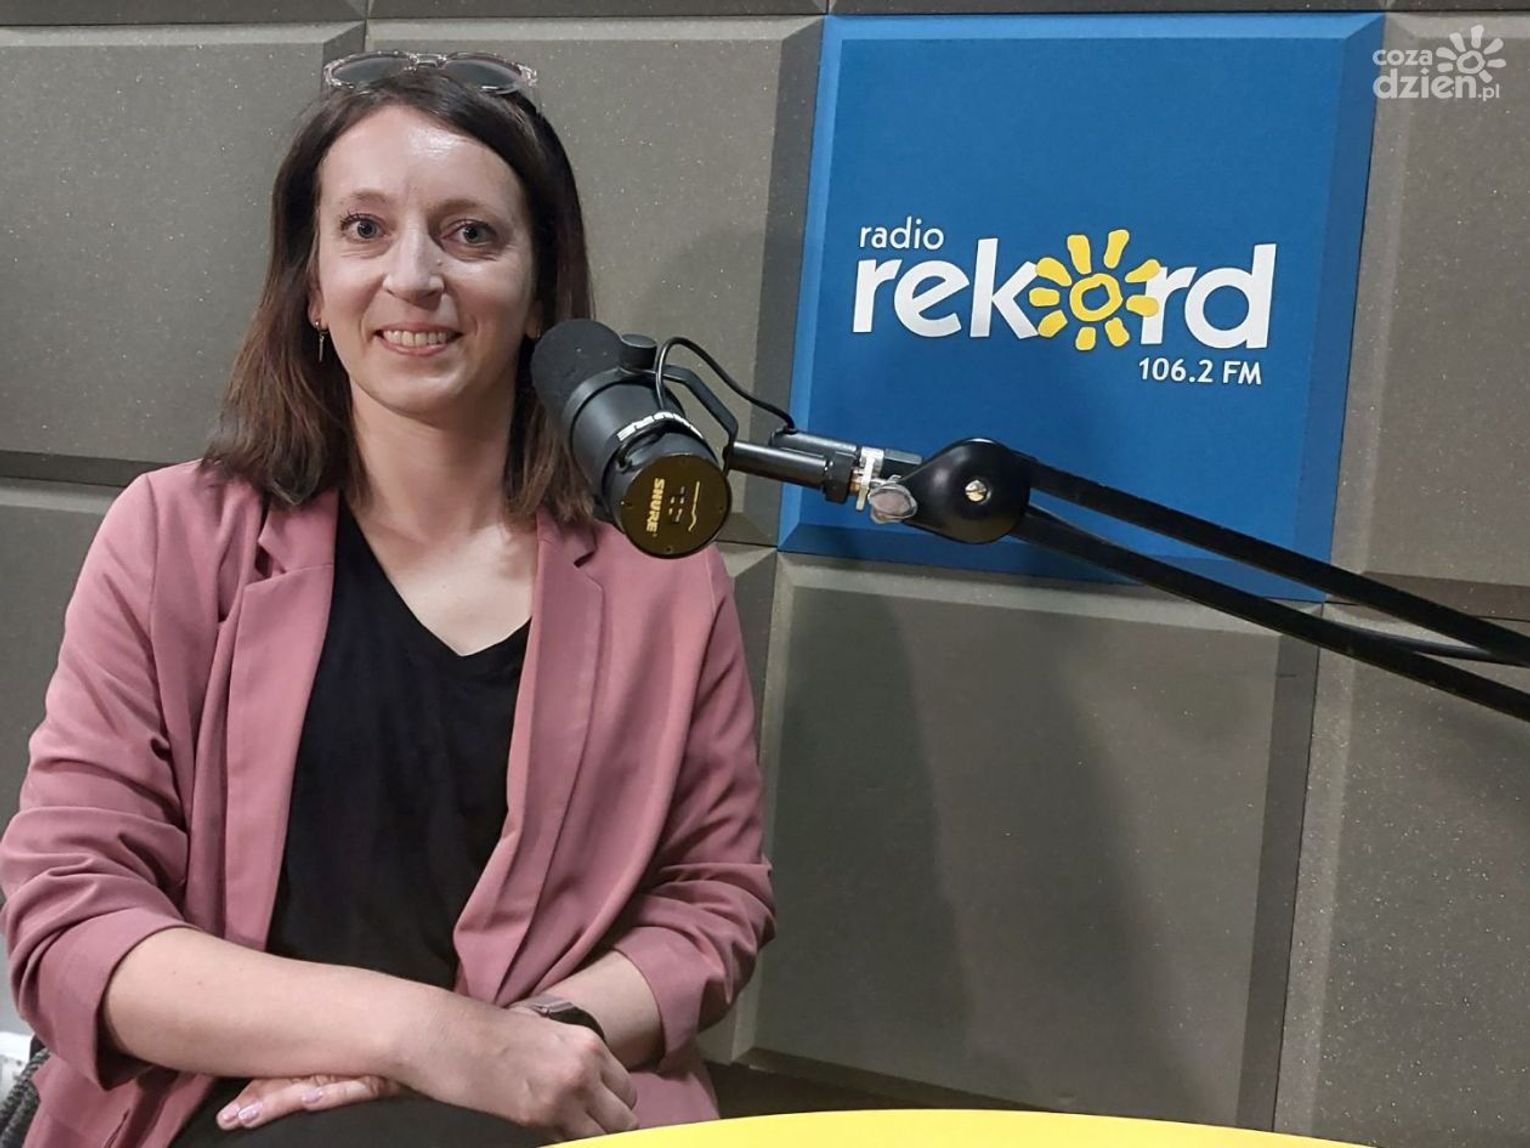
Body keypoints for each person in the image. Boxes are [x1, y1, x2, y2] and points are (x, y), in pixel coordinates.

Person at [0, 52, 773, 1147]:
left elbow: (713, 899)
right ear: (312, 286)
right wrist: (426, 1037)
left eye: (471, 234)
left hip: (537, 1106)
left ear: (544, 295)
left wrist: (524, 1046)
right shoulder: (174, 536)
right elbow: (68, 916)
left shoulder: (663, 574)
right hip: (225, 1102)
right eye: (364, 229)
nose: (414, 276)